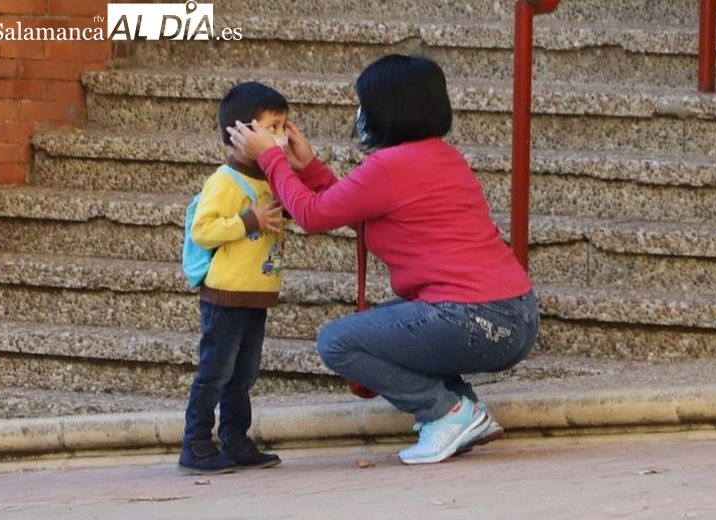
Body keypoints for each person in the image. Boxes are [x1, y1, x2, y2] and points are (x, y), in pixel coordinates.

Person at [228, 54, 540, 465]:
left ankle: (445, 412)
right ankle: (463, 410)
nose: (360, 114)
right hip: (514, 316)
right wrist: (308, 168)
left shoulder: (390, 166)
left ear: (384, 110)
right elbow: (358, 208)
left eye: (364, 104)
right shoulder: (442, 156)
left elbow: (312, 214)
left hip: (474, 319)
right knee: (390, 328)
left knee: (338, 341)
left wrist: (271, 158)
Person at [178, 81, 288, 475]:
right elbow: (203, 230)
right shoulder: (224, 181)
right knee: (215, 372)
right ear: (239, 133)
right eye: (273, 127)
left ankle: (235, 439)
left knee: (243, 374)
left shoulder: (270, 177)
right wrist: (249, 219)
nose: (281, 136)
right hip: (225, 295)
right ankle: (195, 443)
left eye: (284, 126)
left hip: (255, 295)